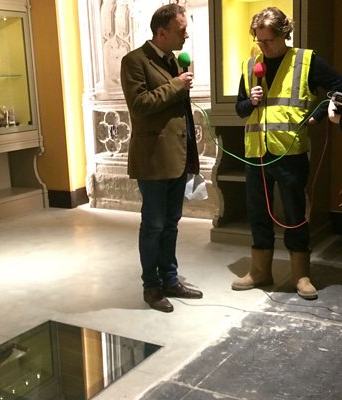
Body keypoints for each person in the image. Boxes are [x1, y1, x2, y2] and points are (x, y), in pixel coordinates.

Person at [232, 7, 342, 300]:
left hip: (290, 153)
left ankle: (300, 275)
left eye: (268, 40)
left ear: (284, 35)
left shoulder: (306, 61)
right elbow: (240, 108)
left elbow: (339, 86)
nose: (263, 46)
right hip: (255, 153)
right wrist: (250, 102)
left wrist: (319, 114)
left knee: (294, 214)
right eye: (259, 40)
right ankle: (260, 271)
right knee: (258, 213)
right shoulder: (250, 64)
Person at [120, 4, 203, 313]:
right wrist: (176, 85)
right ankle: (151, 287)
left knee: (171, 223)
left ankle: (170, 279)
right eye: (181, 30)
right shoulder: (134, 61)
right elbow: (140, 105)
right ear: (161, 31)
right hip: (153, 158)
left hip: (178, 156)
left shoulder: (174, 61)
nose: (186, 35)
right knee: (153, 225)